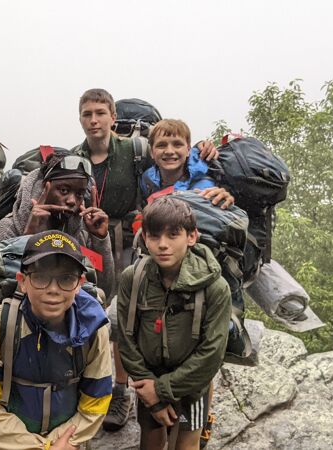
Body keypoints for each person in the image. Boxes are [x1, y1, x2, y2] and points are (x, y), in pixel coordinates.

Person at [75, 89, 223, 431]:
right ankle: (116, 391)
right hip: (99, 241)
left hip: (139, 244)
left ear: (114, 117)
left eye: (101, 113)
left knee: (146, 320)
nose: (94, 120)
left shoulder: (136, 152)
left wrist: (207, 147)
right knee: (107, 316)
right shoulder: (80, 156)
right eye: (87, 114)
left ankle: (180, 411)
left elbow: (182, 157)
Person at [0, 230, 112, 450]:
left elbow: (96, 401)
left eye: (66, 278)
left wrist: (57, 445)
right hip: (7, 442)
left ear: (80, 283)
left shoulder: (92, 329)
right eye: (41, 277)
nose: (53, 290)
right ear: (22, 281)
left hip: (66, 441)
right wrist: (42, 447)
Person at [117, 197, 230, 450]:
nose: (163, 245)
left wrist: (162, 389)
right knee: (151, 439)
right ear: (144, 238)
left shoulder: (215, 287)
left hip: (193, 384)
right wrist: (151, 393)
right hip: (149, 376)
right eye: (154, 236)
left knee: (187, 443)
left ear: (192, 237)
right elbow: (126, 339)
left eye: (173, 235)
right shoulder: (133, 279)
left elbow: (212, 353)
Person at [0, 148, 115, 300]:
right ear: (42, 188)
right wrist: (28, 239)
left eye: (79, 194)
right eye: (64, 190)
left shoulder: (83, 231)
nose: (72, 200)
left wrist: (100, 239)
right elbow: (9, 291)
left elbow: (104, 290)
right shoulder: (9, 226)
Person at [141, 119, 234, 208]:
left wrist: (224, 205)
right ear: (152, 152)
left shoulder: (203, 187)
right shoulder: (147, 179)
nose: (169, 151)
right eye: (161, 145)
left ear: (188, 150)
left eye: (177, 144)